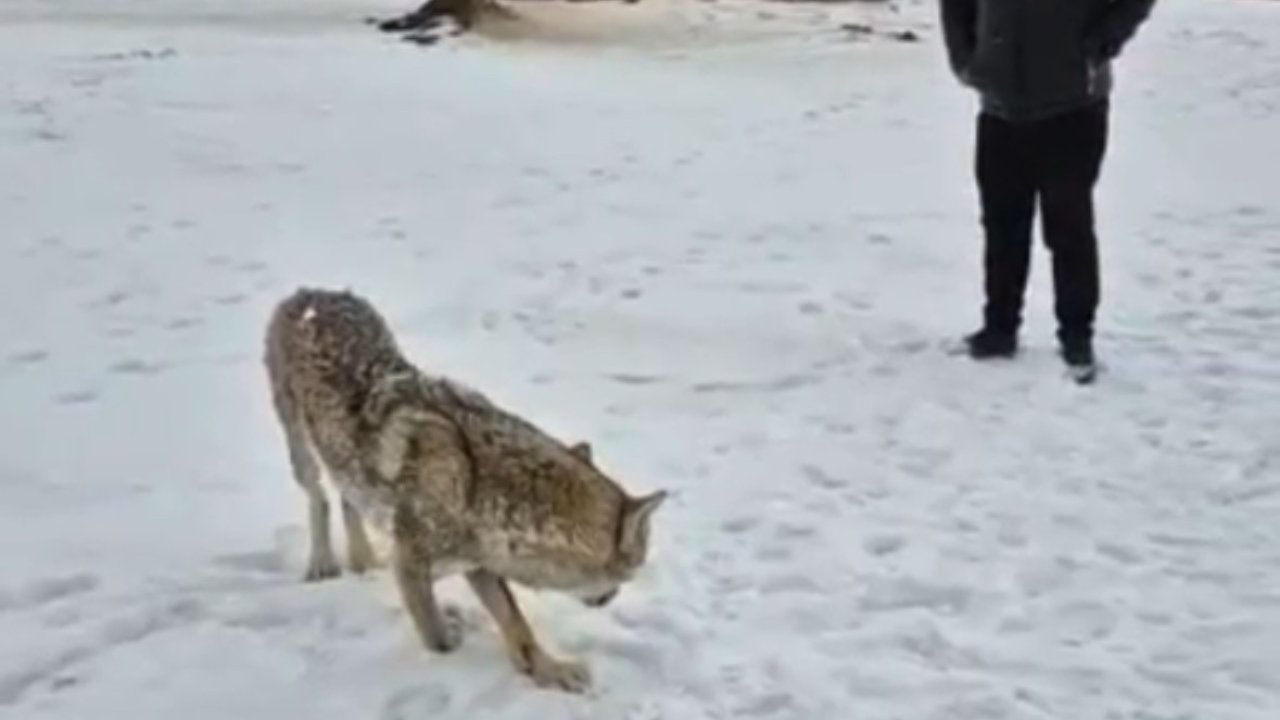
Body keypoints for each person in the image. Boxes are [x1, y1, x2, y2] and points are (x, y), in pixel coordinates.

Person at [940, 0, 1157, 379]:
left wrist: (1098, 45)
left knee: (1068, 225)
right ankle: (999, 328)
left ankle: (1076, 337)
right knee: (1002, 224)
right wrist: (965, 59)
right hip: (999, 103)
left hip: (1073, 103)